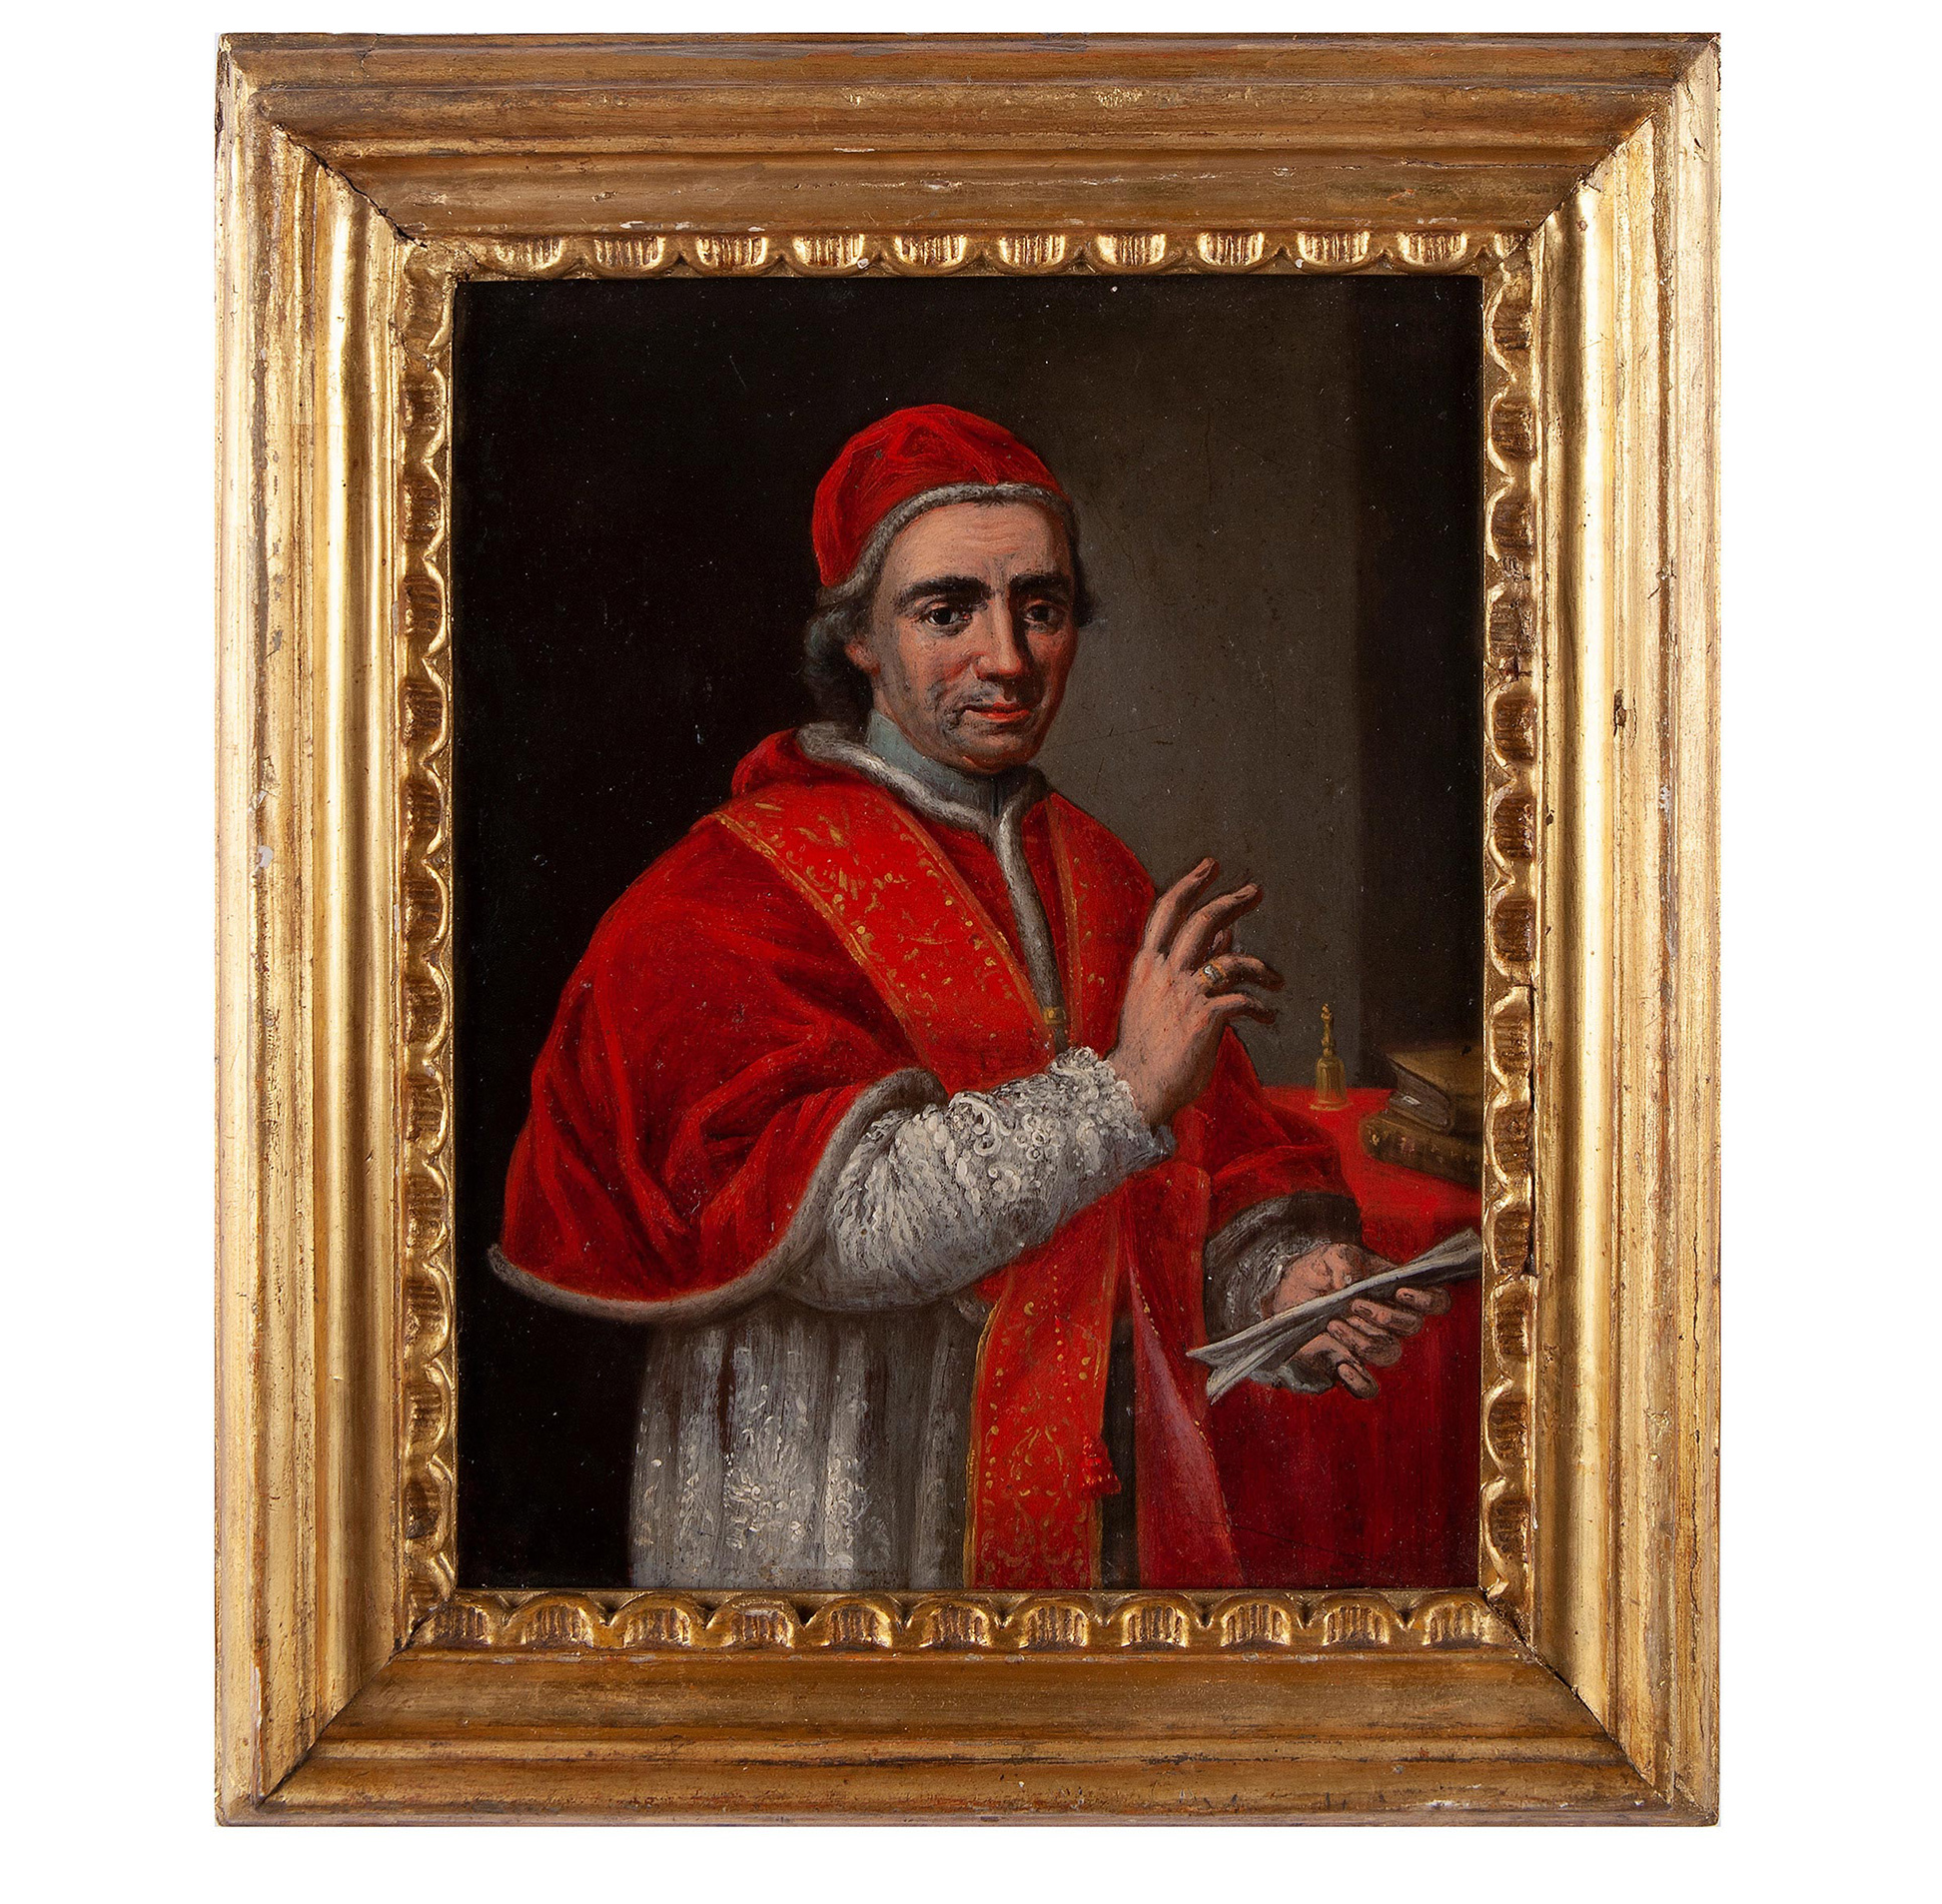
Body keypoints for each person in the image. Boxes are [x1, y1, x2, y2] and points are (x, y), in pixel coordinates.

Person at [492, 404, 1449, 1590]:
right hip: (843, 1490)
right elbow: (845, 1233)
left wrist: (1287, 1283)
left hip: (1084, 1486)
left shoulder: (1101, 876)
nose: (1008, 659)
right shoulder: (726, 895)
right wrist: (1122, 1093)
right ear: (857, 637)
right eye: (948, 612)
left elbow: (1215, 1168)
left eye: (1040, 608)